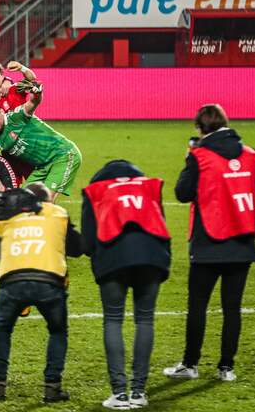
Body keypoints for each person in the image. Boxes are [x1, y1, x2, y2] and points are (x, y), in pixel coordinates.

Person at [164, 104, 255, 383]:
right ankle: (226, 368)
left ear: (200, 128)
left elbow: (182, 194)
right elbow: (252, 189)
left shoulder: (200, 156)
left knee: (198, 305)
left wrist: (189, 159)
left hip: (210, 239)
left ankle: (190, 364)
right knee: (233, 307)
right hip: (242, 240)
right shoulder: (251, 155)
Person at [81, 160, 172, 410]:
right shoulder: (148, 186)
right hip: (151, 259)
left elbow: (88, 243)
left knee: (113, 319)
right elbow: (161, 226)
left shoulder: (96, 190)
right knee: (145, 320)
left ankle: (120, 394)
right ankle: (139, 392)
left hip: (113, 259)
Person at [0, 186, 83, 403]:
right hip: (49, 281)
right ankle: (52, 387)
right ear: (48, 200)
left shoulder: (12, 216)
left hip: (12, 281)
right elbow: (79, 248)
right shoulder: (57, 214)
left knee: (2, 330)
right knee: (58, 331)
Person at [0, 90, 82, 202]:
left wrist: (37, 93)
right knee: (24, 199)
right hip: (42, 166)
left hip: (63, 155)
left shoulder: (16, 117)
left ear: (1, 111)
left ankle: (56, 219)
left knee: (46, 201)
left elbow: (33, 102)